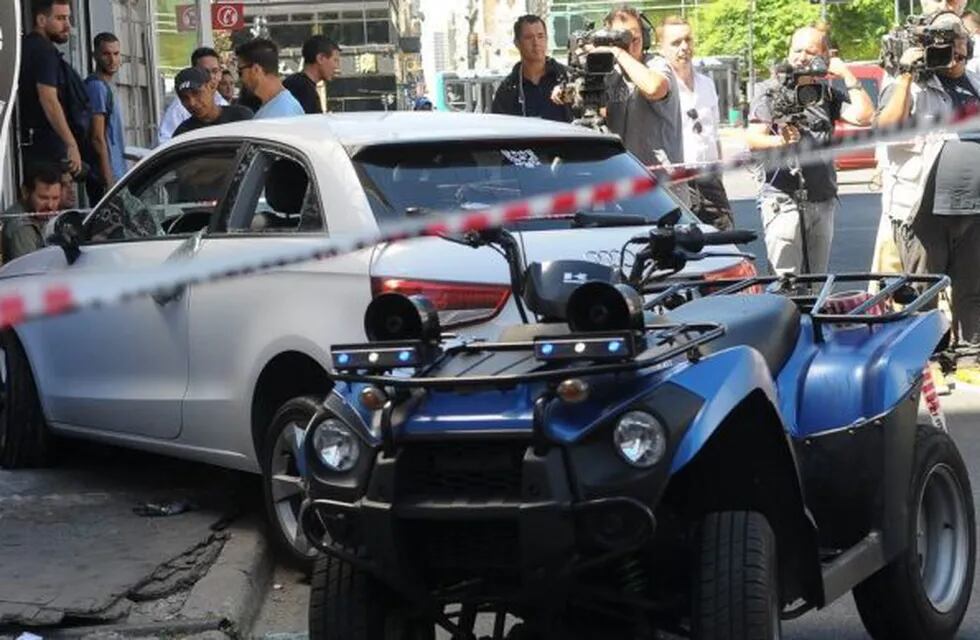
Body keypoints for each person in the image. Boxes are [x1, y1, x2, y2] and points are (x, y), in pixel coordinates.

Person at [876, 12, 980, 349]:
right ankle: (923, 362)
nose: (957, 62)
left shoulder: (975, 82)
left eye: (964, 54)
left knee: (974, 290)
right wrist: (906, 75)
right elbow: (889, 132)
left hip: (974, 210)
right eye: (951, 53)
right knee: (923, 291)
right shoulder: (908, 84)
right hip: (924, 211)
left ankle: (970, 353)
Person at [746, 26, 873, 275]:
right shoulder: (769, 90)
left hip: (822, 199)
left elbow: (864, 116)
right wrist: (780, 140)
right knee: (786, 282)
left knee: (816, 283)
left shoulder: (825, 93)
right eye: (797, 50)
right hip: (782, 199)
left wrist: (846, 73)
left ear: (823, 56)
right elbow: (752, 139)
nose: (801, 56)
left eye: (810, 51)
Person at [658, 15, 733, 230]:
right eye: (675, 42)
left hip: (709, 178)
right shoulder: (662, 86)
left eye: (688, 40)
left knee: (725, 241)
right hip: (677, 180)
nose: (684, 47)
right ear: (661, 47)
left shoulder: (707, 83)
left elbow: (714, 134)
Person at [19, 0, 83, 177]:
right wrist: (71, 143)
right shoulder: (44, 51)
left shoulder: (27, 47)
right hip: (45, 144)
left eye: (68, 18)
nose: (67, 25)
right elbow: (48, 98)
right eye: (60, 18)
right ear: (41, 20)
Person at [490, 15, 572, 122]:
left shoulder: (564, 77)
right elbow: (499, 128)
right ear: (517, 43)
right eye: (529, 37)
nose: (536, 43)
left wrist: (567, 93)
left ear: (547, 39)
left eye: (540, 36)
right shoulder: (508, 89)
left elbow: (580, 104)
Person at [85, 32, 126, 202]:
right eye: (106, 54)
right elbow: (97, 137)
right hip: (105, 176)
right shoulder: (97, 87)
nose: (112, 60)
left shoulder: (108, 86)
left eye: (116, 54)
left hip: (116, 171)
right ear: (95, 55)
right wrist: (109, 181)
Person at [158, 47, 228, 144]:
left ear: (220, 73)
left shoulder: (227, 106)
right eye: (205, 72)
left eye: (215, 71)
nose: (211, 77)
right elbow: (165, 143)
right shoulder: (179, 108)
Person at [2, 162, 63, 264]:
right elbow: (30, 269)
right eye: (43, 198)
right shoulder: (21, 228)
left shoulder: (39, 216)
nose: (51, 205)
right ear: (25, 192)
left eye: (55, 198)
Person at [172, 67, 253, 137]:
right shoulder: (182, 134)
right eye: (184, 98)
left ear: (211, 87)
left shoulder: (242, 117)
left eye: (196, 93)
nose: (192, 103)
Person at [236, 39, 304, 119]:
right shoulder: (280, 106)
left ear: (256, 70)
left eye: (240, 72)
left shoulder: (281, 114)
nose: (240, 79)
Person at [283, 35, 341, 115]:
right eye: (335, 60)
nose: (337, 66)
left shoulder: (296, 83)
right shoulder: (304, 90)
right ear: (320, 58)